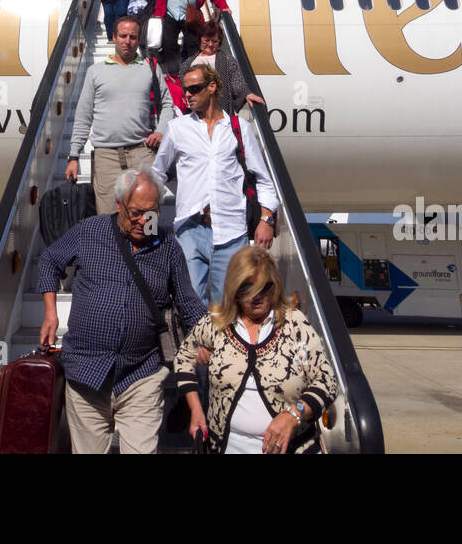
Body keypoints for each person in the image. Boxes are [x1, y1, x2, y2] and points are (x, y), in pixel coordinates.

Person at [37, 168, 205, 454]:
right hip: (86, 374)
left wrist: (207, 340)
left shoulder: (168, 248)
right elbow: (49, 260)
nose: (144, 221)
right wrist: (50, 313)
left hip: (141, 375)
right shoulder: (90, 231)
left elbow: (189, 303)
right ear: (118, 205)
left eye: (151, 213)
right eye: (136, 212)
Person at [176, 246, 337, 454]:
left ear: (275, 286)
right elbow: (183, 356)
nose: (256, 296)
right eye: (246, 288)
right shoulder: (217, 325)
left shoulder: (294, 325)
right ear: (234, 288)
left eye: (264, 288)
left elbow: (325, 380)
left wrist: (293, 415)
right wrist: (195, 408)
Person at [151, 63, 277, 305]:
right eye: (186, 89)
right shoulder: (177, 129)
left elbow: (263, 178)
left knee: (227, 304)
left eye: (194, 89)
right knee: (191, 303)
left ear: (212, 87)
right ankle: (196, 344)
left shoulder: (239, 128)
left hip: (231, 230)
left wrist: (266, 219)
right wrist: (149, 208)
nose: (187, 95)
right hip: (190, 228)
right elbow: (158, 172)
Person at [67, 16, 173, 214]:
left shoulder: (150, 68)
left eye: (133, 37)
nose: (128, 41)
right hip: (106, 157)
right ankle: (113, 246)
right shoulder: (95, 72)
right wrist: (74, 156)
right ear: (114, 37)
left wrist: (161, 131)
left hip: (142, 152)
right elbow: (83, 116)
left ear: (138, 39)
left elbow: (168, 104)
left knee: (148, 215)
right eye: (123, 36)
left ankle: (149, 246)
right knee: (109, 217)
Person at [191, 23, 265, 115]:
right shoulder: (189, 62)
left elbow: (236, 80)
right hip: (197, 112)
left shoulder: (227, 59)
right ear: (200, 40)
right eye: (206, 40)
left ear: (220, 42)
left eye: (214, 41)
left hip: (220, 112)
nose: (210, 44)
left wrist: (247, 94)